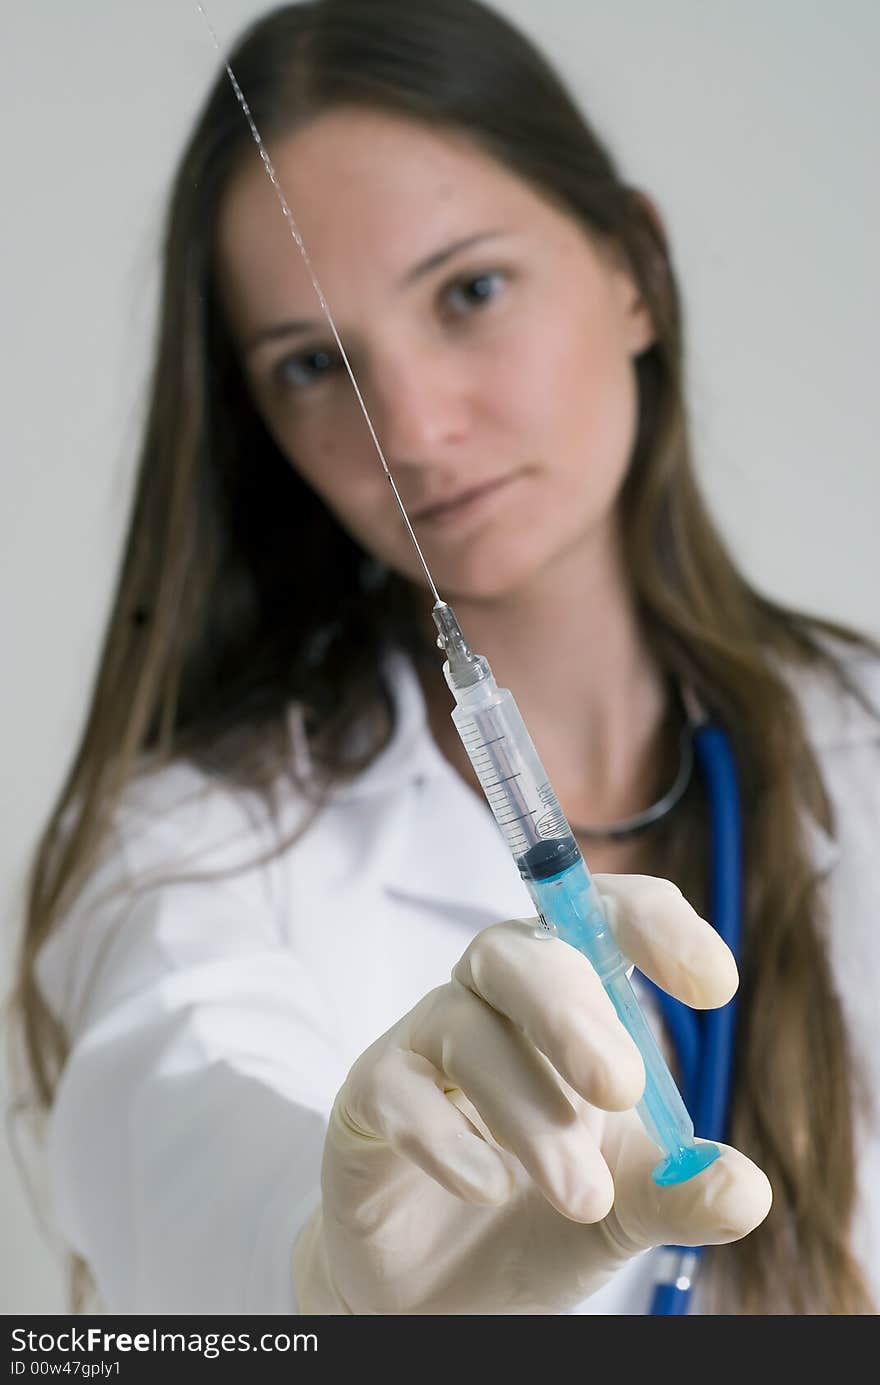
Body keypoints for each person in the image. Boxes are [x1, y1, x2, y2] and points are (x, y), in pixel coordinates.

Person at [13, 0, 879, 1316]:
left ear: (634, 268)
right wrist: (327, 1268)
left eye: (469, 292)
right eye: (314, 364)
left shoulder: (861, 739)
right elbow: (187, 1130)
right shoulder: (192, 852)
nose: (411, 428)